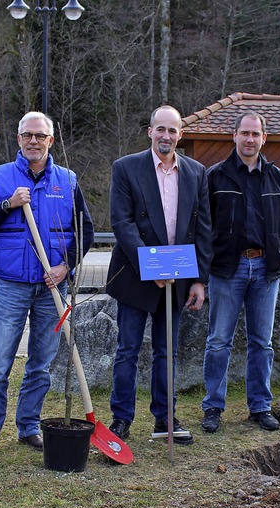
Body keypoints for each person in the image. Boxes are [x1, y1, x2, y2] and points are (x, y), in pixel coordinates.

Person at [0, 111, 93, 460]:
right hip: (12, 285)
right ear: (18, 139)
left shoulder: (66, 181)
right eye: (27, 135)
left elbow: (87, 232)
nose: (33, 141)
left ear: (50, 141)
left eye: (40, 135)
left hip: (50, 287)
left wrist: (64, 267)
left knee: (41, 363)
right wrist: (8, 205)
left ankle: (28, 426)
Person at [105, 105, 212, 445]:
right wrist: (149, 267)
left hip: (179, 277)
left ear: (181, 134)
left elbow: (204, 228)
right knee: (128, 350)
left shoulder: (196, 173)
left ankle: (165, 418)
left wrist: (199, 279)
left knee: (168, 351)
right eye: (160, 129)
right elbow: (122, 222)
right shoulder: (126, 168)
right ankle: (121, 419)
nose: (166, 135)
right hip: (136, 275)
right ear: (150, 131)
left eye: (173, 130)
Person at [200, 112, 280, 434]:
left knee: (262, 343)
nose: (250, 139)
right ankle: (213, 407)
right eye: (245, 133)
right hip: (228, 268)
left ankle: (260, 407)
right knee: (219, 341)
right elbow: (204, 225)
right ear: (234, 135)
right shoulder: (216, 177)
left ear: (264, 138)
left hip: (266, 269)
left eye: (256, 134)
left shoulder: (278, 178)